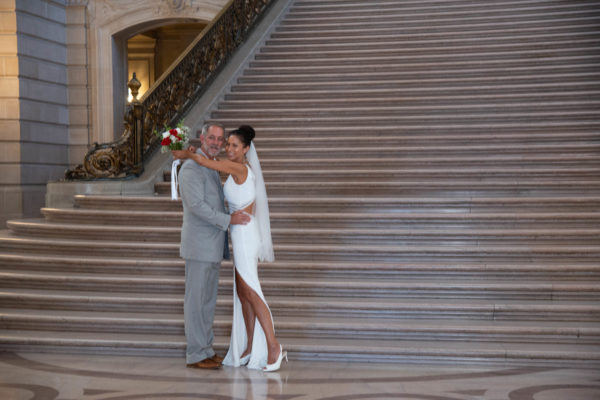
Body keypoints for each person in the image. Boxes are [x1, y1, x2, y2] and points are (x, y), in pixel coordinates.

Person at [173, 125, 287, 372]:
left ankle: (273, 346)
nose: (225, 146)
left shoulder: (232, 166)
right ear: (202, 138)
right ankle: (236, 349)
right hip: (223, 238)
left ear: (246, 149)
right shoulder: (204, 166)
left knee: (250, 291)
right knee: (240, 294)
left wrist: (189, 153)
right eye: (225, 143)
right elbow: (197, 204)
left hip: (243, 236)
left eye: (231, 143)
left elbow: (214, 168)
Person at [178, 122, 250, 370]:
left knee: (207, 302)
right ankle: (196, 353)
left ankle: (206, 349)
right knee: (196, 301)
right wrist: (228, 220)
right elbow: (197, 207)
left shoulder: (207, 166)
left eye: (220, 140)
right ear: (202, 138)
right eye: (212, 138)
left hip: (211, 246)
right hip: (199, 246)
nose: (217, 143)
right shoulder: (190, 168)